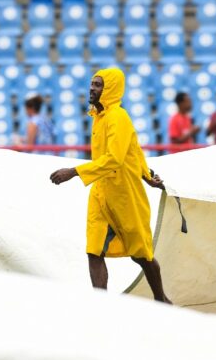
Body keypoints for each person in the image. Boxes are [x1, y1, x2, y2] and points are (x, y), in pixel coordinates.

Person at [49, 68, 170, 303]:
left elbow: (117, 158)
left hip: (124, 195)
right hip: (101, 193)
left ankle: (161, 299)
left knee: (141, 254)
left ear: (110, 89)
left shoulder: (118, 118)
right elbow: (135, 151)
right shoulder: (98, 117)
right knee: (94, 250)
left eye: (98, 85)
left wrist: (74, 172)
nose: (92, 89)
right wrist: (147, 174)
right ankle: (102, 306)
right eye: (92, 84)